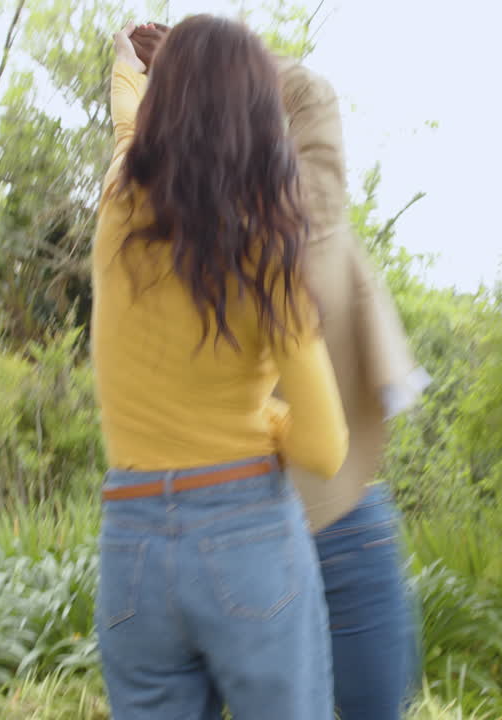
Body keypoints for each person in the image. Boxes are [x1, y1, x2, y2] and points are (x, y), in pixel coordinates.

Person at [132, 22, 429, 720]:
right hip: (230, 540)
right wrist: (209, 67)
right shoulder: (164, 236)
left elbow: (305, 101)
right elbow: (304, 97)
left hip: (329, 524)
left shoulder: (300, 218)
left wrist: (203, 62)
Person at [91, 16, 348, 720]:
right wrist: (261, 418)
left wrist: (131, 61)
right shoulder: (268, 249)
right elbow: (325, 450)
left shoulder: (119, 203)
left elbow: (125, 123)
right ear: (261, 121)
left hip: (133, 540)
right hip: (247, 535)